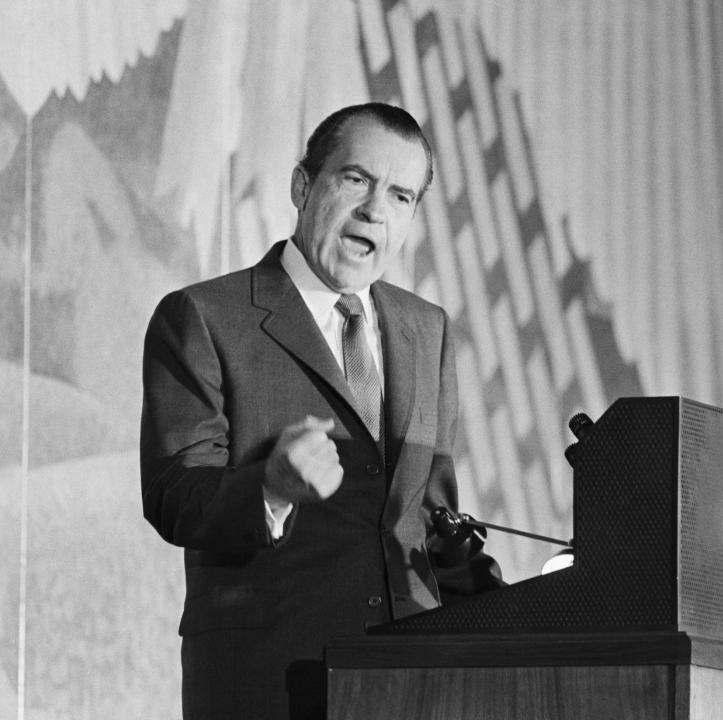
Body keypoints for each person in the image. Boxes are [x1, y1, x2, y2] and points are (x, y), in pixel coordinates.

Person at [140, 102, 503, 719]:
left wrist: (541, 611)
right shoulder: (202, 317)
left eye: (401, 197)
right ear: (302, 185)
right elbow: (175, 494)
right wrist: (271, 487)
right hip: (269, 682)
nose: (374, 211)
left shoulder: (427, 330)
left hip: (412, 686)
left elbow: (432, 522)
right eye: (356, 180)